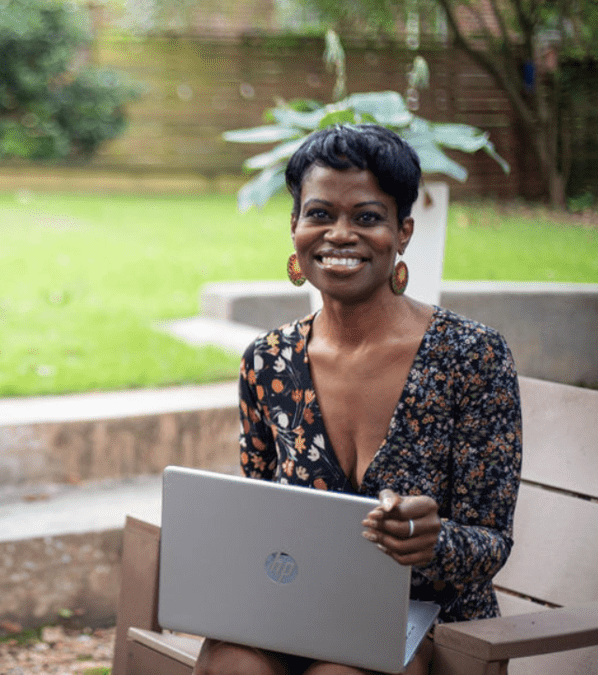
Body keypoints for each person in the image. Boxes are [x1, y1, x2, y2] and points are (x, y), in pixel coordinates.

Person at [195, 125, 522, 675]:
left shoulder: (472, 356)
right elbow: (262, 520)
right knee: (230, 663)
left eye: (367, 217)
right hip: (301, 608)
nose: (339, 234)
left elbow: (491, 539)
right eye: (319, 214)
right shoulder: (268, 360)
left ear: (403, 232)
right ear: (295, 227)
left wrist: (432, 540)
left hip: (428, 618)